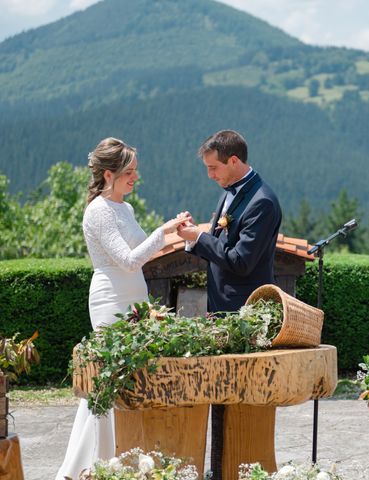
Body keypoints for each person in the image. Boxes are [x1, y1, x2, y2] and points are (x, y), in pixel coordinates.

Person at [56, 137, 189, 480]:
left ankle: (124, 456)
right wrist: (163, 230)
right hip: (110, 297)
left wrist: (177, 232)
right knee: (108, 377)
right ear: (107, 174)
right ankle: (96, 462)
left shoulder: (125, 209)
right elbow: (129, 260)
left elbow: (148, 249)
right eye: (129, 172)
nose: (135, 177)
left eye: (135, 171)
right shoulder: (98, 211)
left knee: (132, 374)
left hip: (135, 296)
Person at [176, 130, 281, 479]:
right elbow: (219, 242)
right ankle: (220, 468)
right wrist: (198, 238)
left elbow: (240, 261)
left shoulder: (262, 201)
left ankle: (241, 467)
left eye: (214, 168)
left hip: (244, 313)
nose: (210, 175)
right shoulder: (229, 194)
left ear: (234, 161)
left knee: (242, 401)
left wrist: (201, 239)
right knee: (219, 394)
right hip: (221, 311)